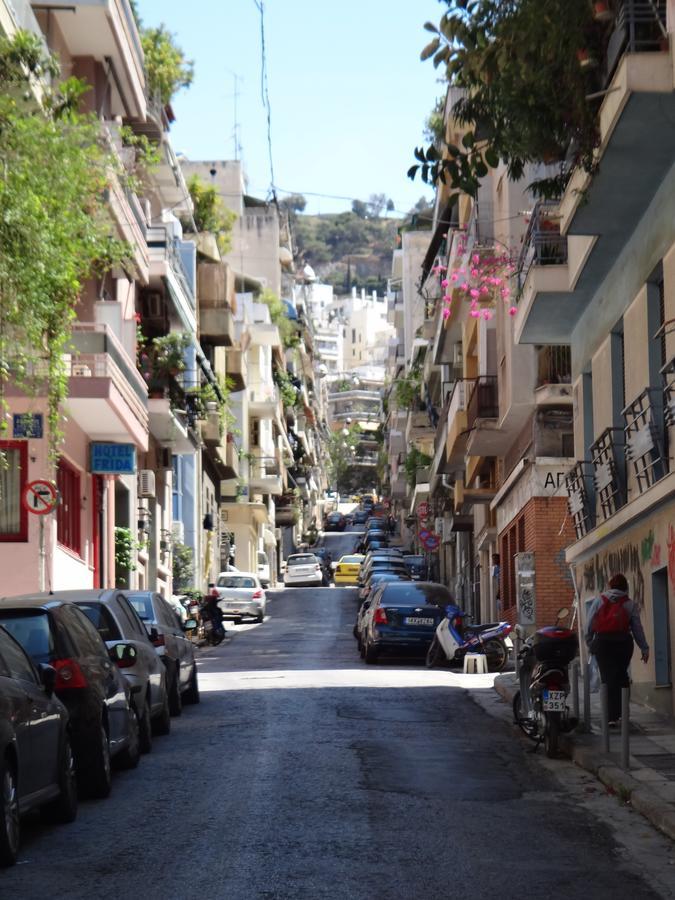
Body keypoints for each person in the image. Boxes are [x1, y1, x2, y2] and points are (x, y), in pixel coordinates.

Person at [585, 573, 649, 725]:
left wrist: (590, 641)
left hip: (603, 644)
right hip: (623, 644)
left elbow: (589, 622)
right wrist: (644, 648)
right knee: (622, 676)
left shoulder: (600, 600)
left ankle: (611, 717)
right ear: (625, 587)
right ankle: (622, 714)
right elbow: (637, 628)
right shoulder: (629, 603)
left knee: (607, 679)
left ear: (610, 586)